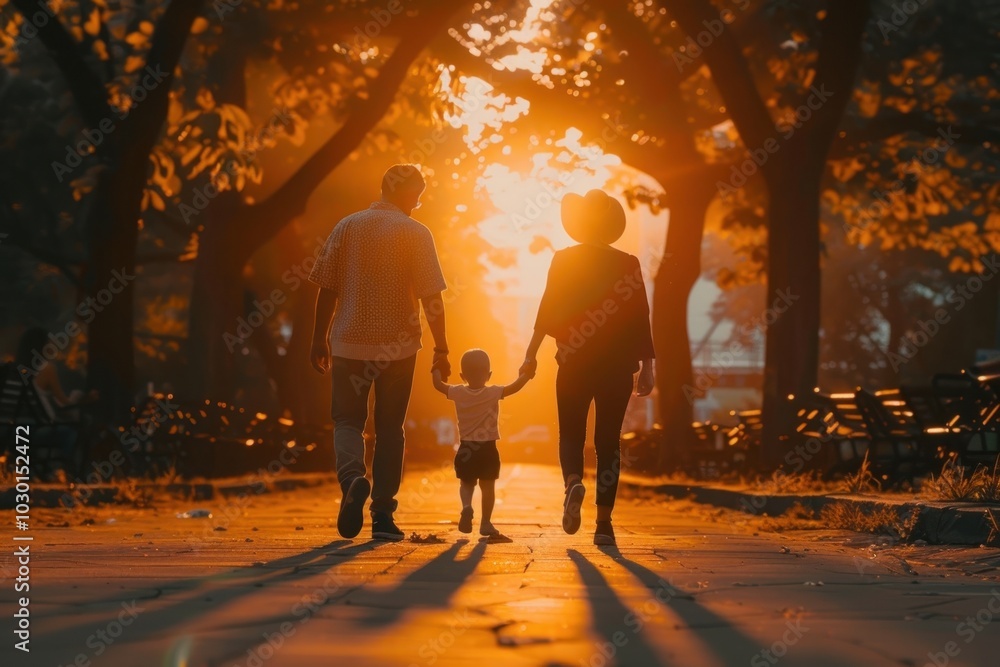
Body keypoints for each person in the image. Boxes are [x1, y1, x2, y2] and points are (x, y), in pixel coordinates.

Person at [310, 164, 451, 541]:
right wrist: (442, 346)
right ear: (403, 192)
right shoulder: (416, 233)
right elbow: (431, 296)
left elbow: (326, 287)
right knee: (390, 430)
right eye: (417, 192)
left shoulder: (347, 226)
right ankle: (383, 517)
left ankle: (353, 479)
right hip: (399, 348)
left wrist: (317, 338)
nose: (419, 201)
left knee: (347, 421)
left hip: (348, 342)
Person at [520, 190, 655, 546]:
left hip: (574, 360)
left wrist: (531, 354)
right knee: (609, 442)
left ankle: (573, 483)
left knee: (570, 434)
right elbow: (640, 315)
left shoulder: (564, 259)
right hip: (617, 365)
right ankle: (604, 525)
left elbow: (548, 310)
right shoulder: (628, 262)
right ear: (612, 225)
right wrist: (648, 366)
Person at [432, 349, 533, 537]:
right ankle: (486, 523)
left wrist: (437, 364)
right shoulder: (494, 392)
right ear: (489, 375)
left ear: (462, 375)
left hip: (466, 447)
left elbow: (438, 384)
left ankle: (467, 507)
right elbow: (514, 387)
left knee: (466, 483)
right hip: (487, 448)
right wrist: (526, 374)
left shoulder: (458, 392)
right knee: (488, 488)